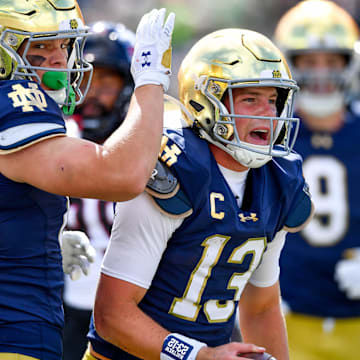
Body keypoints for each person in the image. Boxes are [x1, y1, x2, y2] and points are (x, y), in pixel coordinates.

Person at [83, 28, 314, 360]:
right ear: (206, 102)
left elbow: (261, 307)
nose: (268, 113)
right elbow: (112, 317)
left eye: (273, 99)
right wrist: (199, 355)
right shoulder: (172, 171)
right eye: (250, 98)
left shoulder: (278, 180)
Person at [0, 0, 175, 359]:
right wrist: (151, 80)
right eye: (40, 48)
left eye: (63, 46)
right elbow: (123, 175)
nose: (59, 61)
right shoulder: (14, 105)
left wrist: (25, 242)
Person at [273, 1, 360, 359]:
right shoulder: (268, 137)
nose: (322, 74)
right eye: (310, 62)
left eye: (331, 62)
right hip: (286, 317)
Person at [62, 21, 135, 360]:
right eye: (84, 79)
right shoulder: (51, 140)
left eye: (105, 80)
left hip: (137, 308)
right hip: (62, 308)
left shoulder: (154, 147)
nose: (91, 93)